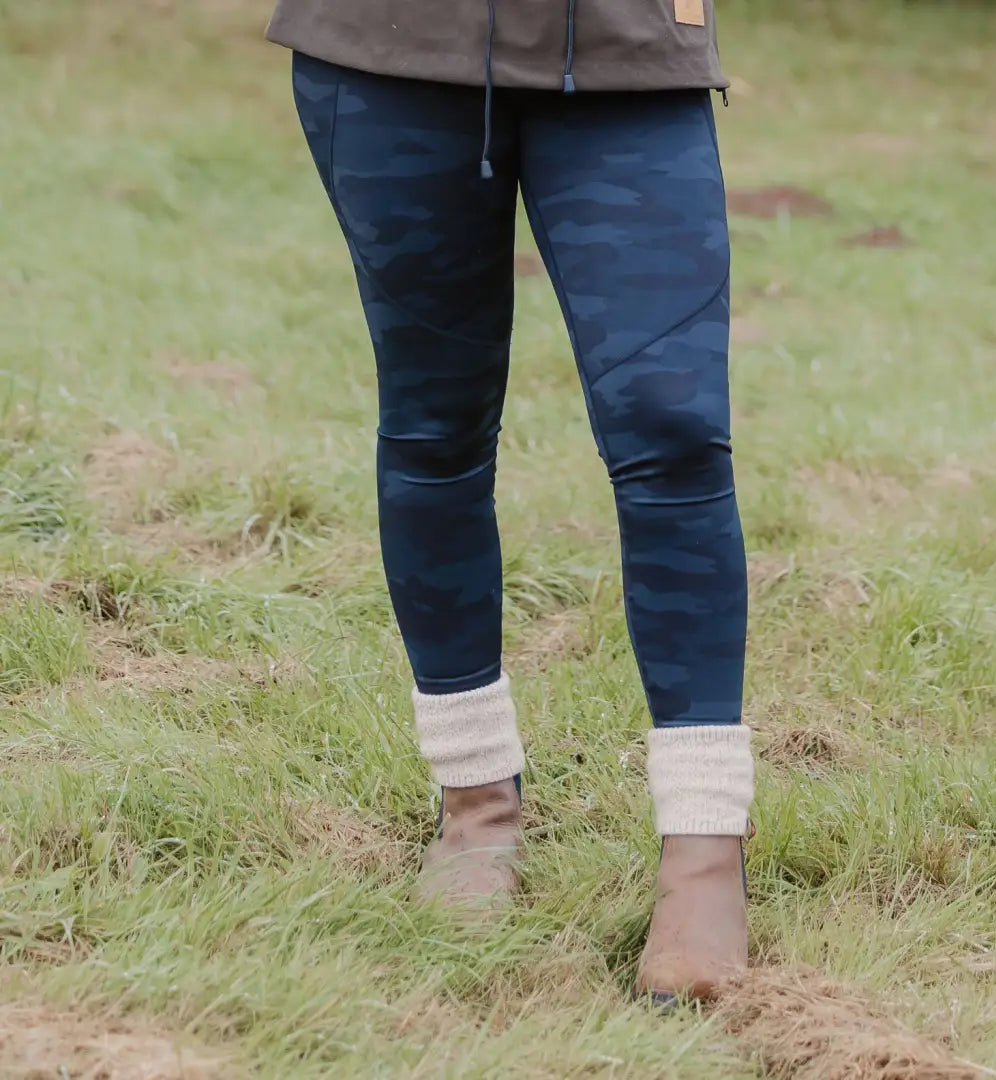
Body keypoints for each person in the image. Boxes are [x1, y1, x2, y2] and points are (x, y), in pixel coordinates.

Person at [266, 0, 755, 1003]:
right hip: (388, 48)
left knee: (672, 427)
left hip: (631, 61)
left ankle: (705, 849)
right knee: (434, 426)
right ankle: (477, 802)